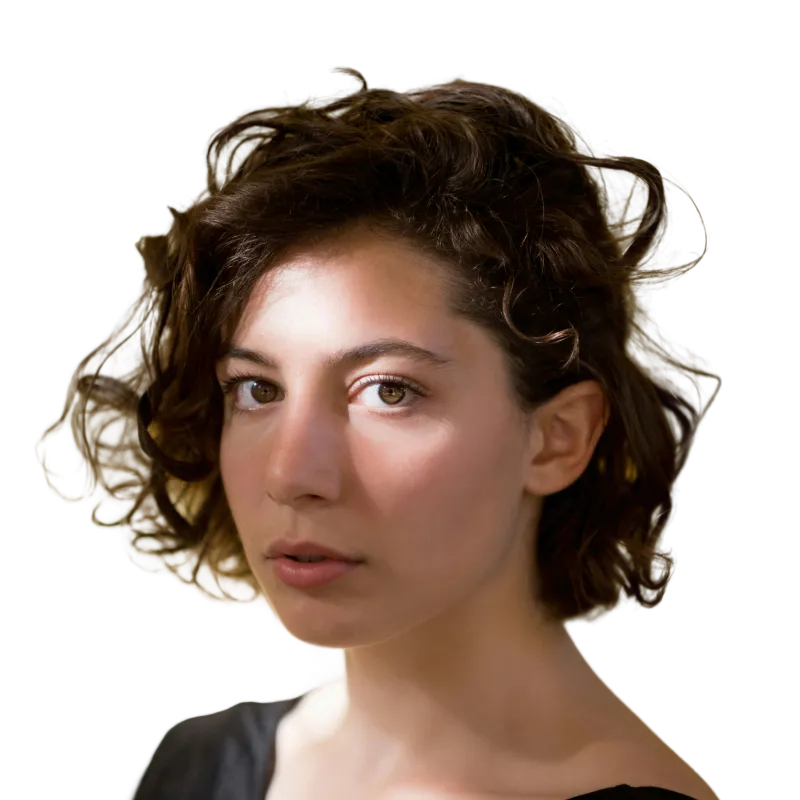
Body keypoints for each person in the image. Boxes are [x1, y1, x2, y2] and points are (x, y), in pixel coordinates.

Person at [34, 68, 722, 799]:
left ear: (558, 438)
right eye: (258, 390)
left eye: (390, 391)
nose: (292, 473)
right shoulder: (200, 765)